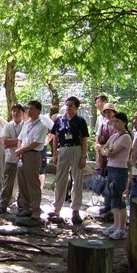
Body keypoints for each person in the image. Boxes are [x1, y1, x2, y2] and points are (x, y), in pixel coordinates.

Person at [50, 96, 90, 225]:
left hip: (76, 149)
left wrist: (84, 156)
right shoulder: (59, 120)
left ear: (76, 107)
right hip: (63, 149)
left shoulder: (80, 121)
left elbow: (84, 139)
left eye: (71, 105)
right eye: (66, 105)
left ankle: (75, 210)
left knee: (77, 180)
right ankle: (56, 209)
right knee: (61, 179)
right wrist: (55, 154)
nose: (68, 107)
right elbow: (55, 138)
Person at [98, 112, 132, 239]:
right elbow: (103, 148)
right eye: (114, 121)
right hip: (111, 168)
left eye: (118, 121)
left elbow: (111, 153)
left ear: (124, 122)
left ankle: (121, 227)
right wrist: (104, 151)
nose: (115, 124)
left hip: (119, 170)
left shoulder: (125, 137)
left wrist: (105, 151)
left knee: (118, 198)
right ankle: (116, 224)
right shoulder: (114, 136)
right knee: (112, 197)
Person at [15, 100, 50, 223]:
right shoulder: (26, 123)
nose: (29, 111)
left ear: (38, 111)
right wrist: (19, 150)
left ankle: (36, 209)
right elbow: (20, 138)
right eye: (28, 109)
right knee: (22, 181)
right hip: (22, 154)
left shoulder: (42, 126)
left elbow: (36, 143)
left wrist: (21, 150)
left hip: (33, 155)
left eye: (32, 109)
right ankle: (25, 207)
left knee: (33, 183)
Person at [0, 104, 25, 214]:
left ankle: (22, 206)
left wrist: (15, 141)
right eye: (13, 111)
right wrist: (19, 141)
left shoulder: (26, 125)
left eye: (18, 111)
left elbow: (27, 141)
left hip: (23, 158)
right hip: (10, 158)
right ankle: (3, 205)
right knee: (7, 182)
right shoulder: (8, 126)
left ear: (22, 113)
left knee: (23, 183)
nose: (15, 113)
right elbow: (6, 143)